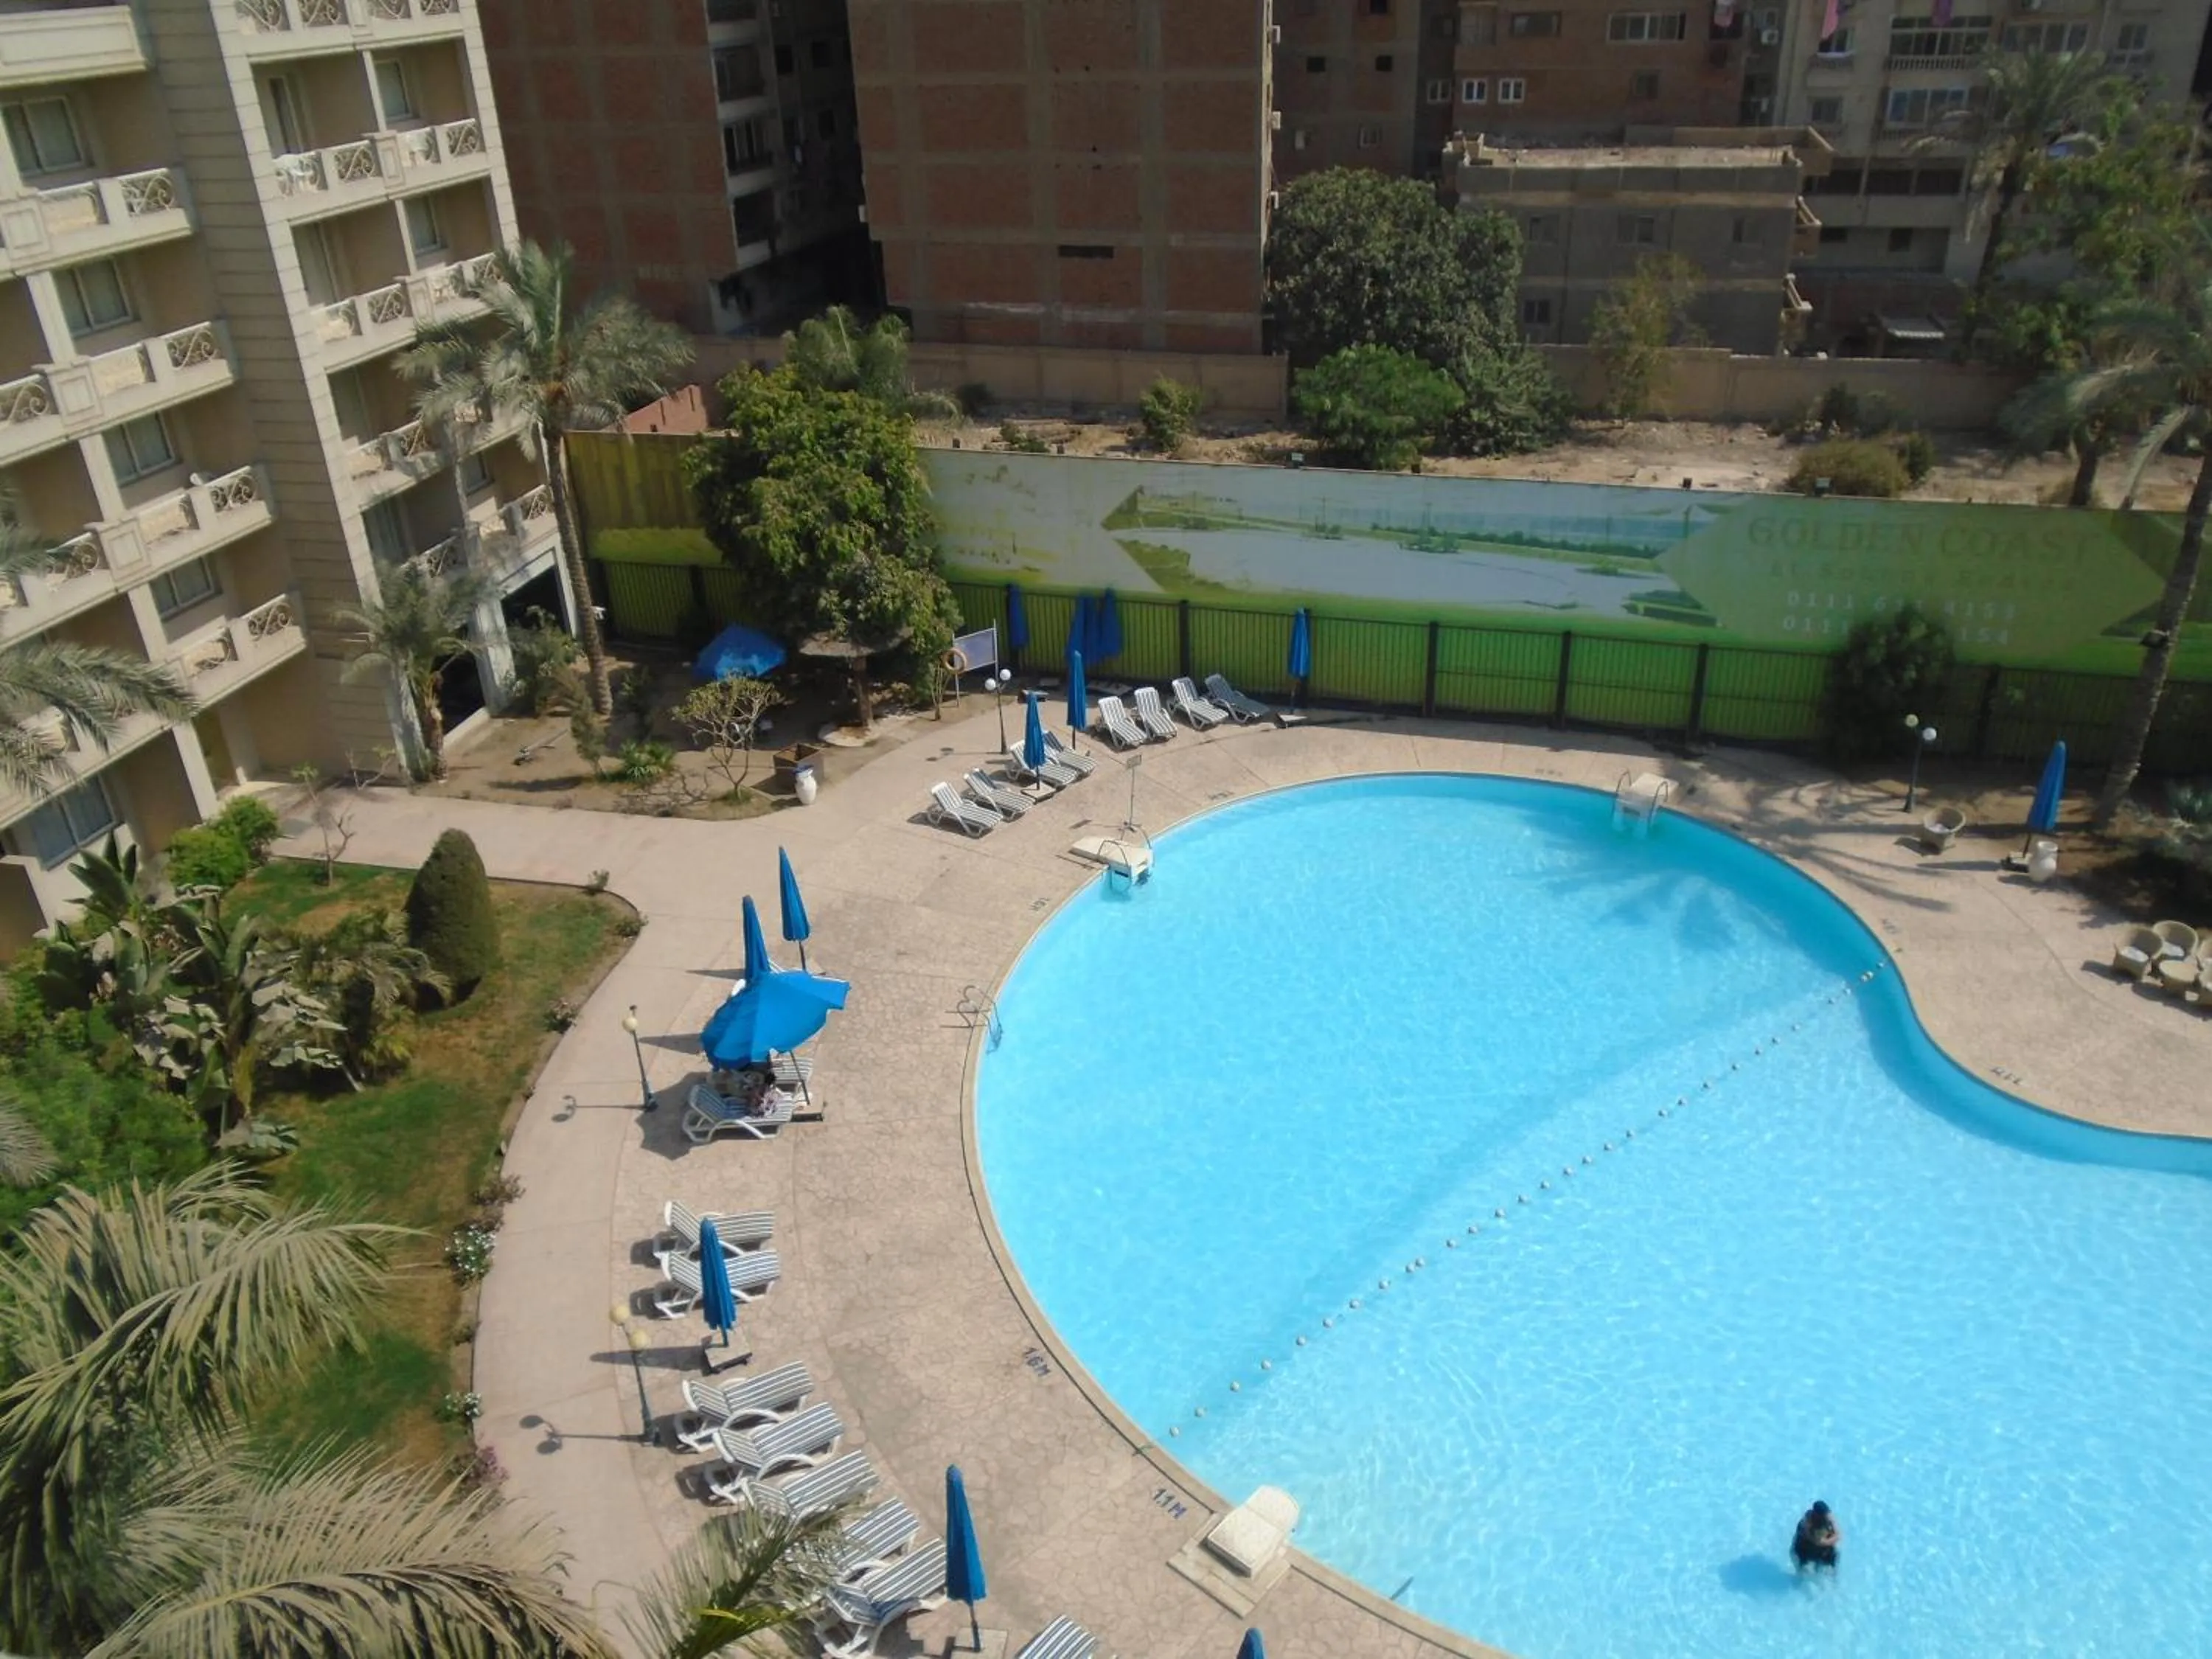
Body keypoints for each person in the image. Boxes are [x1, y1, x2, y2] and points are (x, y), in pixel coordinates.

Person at [1791, 1500, 1839, 1571]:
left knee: (1834, 1554)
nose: (1827, 1515)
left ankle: (1833, 1576)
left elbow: (1838, 1534)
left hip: (1819, 1545)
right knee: (1803, 1565)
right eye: (1824, 1514)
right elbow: (1817, 1541)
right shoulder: (1808, 1520)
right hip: (1804, 1546)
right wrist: (1829, 1541)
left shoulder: (1828, 1517)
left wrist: (1829, 1540)